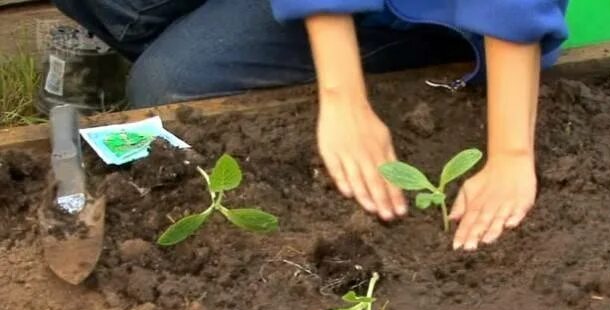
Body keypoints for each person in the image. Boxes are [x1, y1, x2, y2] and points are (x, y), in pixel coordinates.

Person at [53, 0, 569, 250]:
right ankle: (214, 40)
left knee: (167, 86)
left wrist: (510, 157)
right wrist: (340, 95)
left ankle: (213, 49)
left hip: (432, 10)